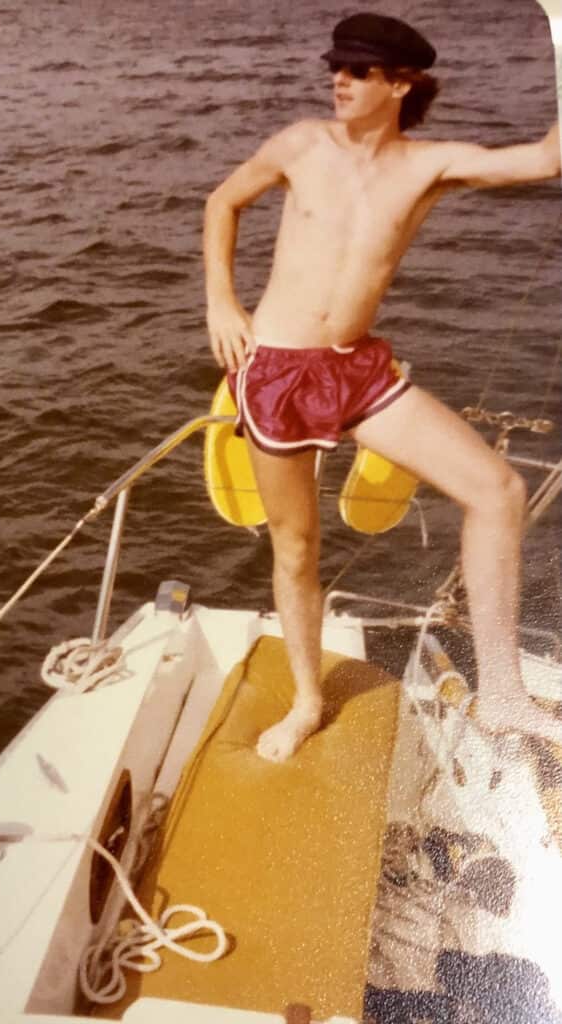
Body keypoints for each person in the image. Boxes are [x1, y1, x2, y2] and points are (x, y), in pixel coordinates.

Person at [203, 12, 561, 762]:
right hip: (277, 370)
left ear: (401, 84)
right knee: (297, 548)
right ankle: (306, 701)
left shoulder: (427, 165)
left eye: (361, 72)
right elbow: (222, 203)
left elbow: (547, 159)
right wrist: (221, 302)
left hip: (359, 368)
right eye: (338, 66)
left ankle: (502, 695)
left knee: (497, 490)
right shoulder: (301, 144)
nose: (340, 79)